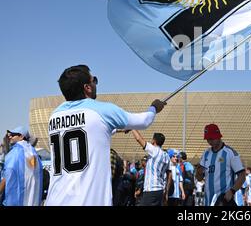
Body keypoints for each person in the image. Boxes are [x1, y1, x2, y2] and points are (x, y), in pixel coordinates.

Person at [45, 65, 166, 206]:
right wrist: (154, 108)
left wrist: (116, 129)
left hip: (55, 199)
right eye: (94, 80)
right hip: (88, 200)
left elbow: (90, 132)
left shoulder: (54, 116)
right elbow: (144, 121)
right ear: (87, 87)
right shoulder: (102, 110)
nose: (95, 84)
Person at [195, 123, 245, 206]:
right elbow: (199, 178)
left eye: (211, 138)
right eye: (207, 139)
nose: (209, 141)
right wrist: (199, 172)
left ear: (218, 136)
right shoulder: (206, 153)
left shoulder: (230, 153)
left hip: (223, 201)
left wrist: (232, 191)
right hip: (208, 201)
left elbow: (242, 175)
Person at [0, 126, 43, 206]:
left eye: (13, 134)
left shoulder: (15, 153)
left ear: (21, 136)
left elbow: (8, 174)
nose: (10, 136)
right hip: (33, 201)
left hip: (14, 201)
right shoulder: (34, 153)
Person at [130, 130, 170, 206]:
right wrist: (166, 191)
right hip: (160, 190)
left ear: (153, 141)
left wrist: (132, 128)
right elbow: (169, 173)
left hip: (151, 190)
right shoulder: (166, 156)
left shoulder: (154, 150)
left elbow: (139, 139)